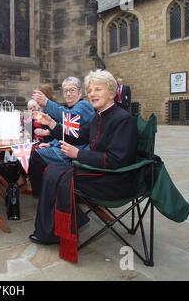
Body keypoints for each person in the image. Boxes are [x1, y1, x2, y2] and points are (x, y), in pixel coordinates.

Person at [29, 70, 138, 264]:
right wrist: (52, 124)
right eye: (90, 90)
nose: (92, 93)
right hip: (98, 171)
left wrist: (78, 154)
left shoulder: (123, 119)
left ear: (111, 93)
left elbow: (117, 160)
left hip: (113, 179)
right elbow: (76, 136)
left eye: (98, 89)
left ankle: (61, 229)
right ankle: (55, 229)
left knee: (57, 175)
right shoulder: (98, 116)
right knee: (51, 171)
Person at [28, 77, 95, 198]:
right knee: (36, 152)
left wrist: (47, 103)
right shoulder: (71, 107)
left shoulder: (84, 105)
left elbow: (69, 119)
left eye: (72, 90)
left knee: (35, 157)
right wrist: (52, 143)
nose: (68, 94)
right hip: (69, 147)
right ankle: (47, 193)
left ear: (80, 92)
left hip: (78, 153)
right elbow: (66, 132)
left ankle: (41, 195)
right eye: (65, 91)